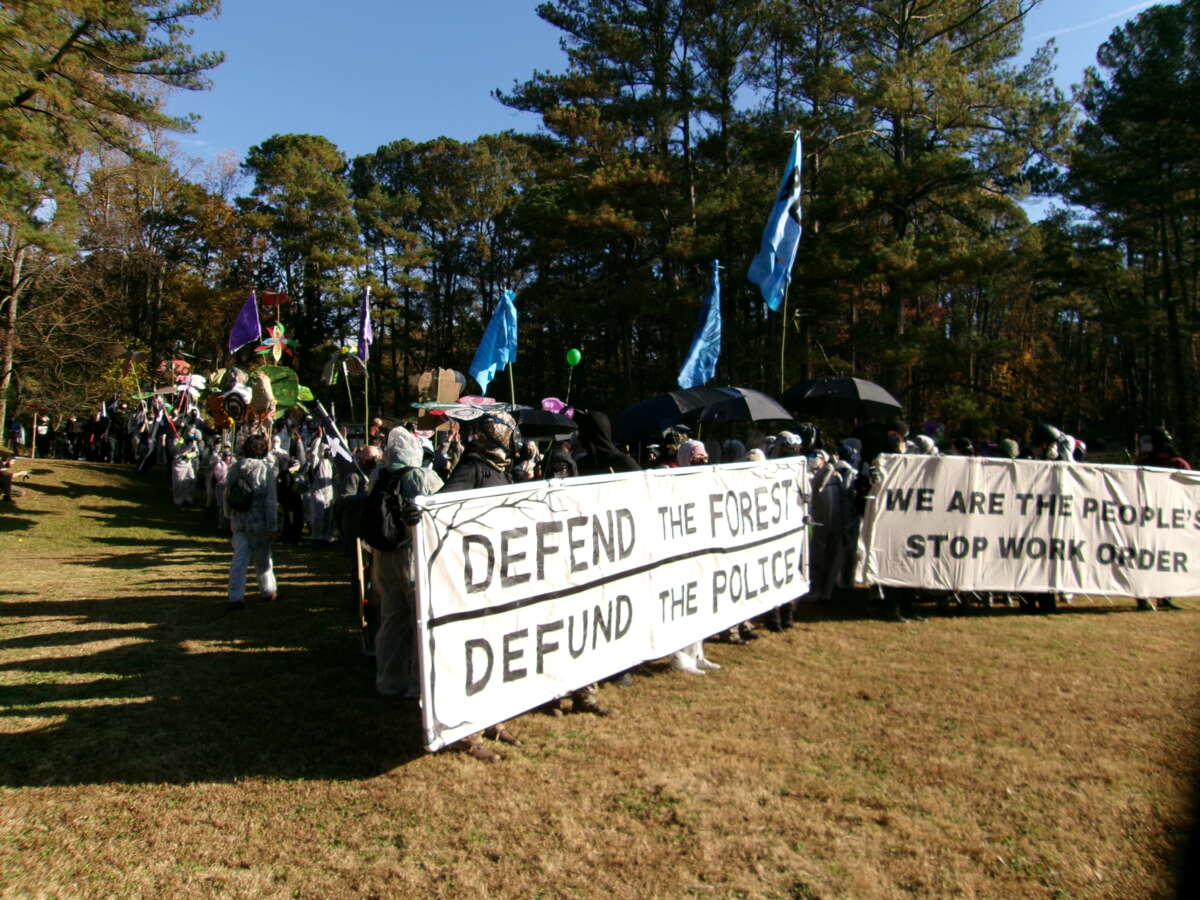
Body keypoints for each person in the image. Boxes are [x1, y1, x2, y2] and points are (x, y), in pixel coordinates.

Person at [437, 411, 524, 760]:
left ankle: (493, 719)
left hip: (497, 571)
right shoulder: (472, 466)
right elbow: (442, 506)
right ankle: (465, 732)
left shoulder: (500, 468)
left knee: (497, 647)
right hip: (473, 573)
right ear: (498, 435)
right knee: (473, 650)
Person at [372, 426, 443, 702]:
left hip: (382, 557)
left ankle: (389, 680)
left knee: (391, 620)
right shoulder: (421, 476)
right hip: (412, 555)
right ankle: (419, 684)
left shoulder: (379, 476)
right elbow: (442, 507)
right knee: (420, 621)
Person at [669, 440, 721, 673]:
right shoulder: (671, 480)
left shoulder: (704, 479)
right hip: (681, 551)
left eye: (704, 457)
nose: (702, 461)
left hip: (701, 548)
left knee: (701, 601)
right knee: (683, 604)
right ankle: (681, 656)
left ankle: (697, 652)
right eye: (697, 457)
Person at [1134, 427, 1190, 611]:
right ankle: (1142, 596)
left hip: (1169, 520)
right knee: (1144, 560)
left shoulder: (1177, 464)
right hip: (1145, 519)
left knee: (1166, 559)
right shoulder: (1142, 464)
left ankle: (1164, 596)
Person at [224, 432, 278, 611]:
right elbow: (270, 501)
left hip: (239, 519)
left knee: (239, 559)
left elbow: (227, 493)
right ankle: (268, 590)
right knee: (263, 559)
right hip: (259, 521)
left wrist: (228, 514)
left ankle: (235, 596)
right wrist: (272, 526)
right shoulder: (265, 470)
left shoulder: (236, 467)